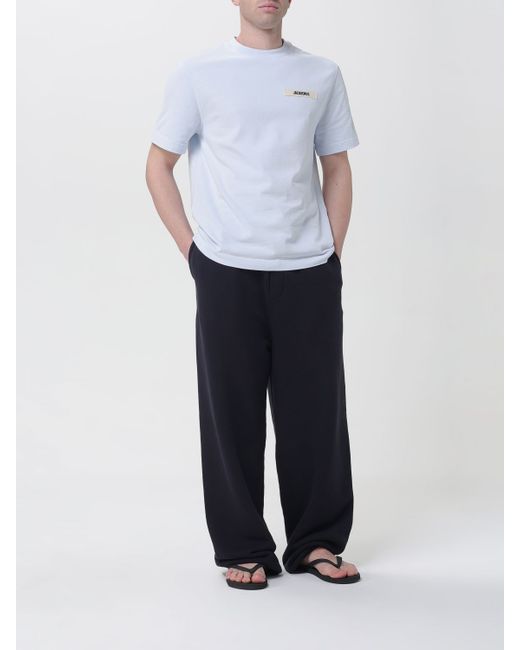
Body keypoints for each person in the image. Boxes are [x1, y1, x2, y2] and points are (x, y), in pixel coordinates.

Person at [145, 0, 361, 590]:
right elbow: (158, 165)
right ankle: (243, 547)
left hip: (308, 269)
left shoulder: (321, 74)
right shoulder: (198, 74)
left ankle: (316, 541)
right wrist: (194, 253)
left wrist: (331, 253)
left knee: (316, 412)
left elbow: (337, 167)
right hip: (227, 269)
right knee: (230, 413)